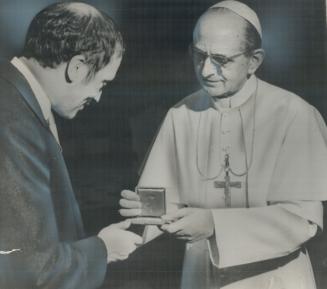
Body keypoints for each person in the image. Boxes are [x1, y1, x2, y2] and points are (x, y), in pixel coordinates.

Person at [119, 1, 327, 288]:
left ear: (254, 60)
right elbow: (163, 199)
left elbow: (303, 220)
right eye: (199, 55)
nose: (206, 70)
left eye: (221, 59)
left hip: (275, 278)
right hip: (201, 274)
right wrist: (146, 211)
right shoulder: (181, 115)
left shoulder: (295, 115)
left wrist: (214, 225)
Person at [0, 2, 142, 289]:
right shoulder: (15, 124)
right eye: (101, 84)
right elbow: (30, 269)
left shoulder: (18, 101)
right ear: (76, 68)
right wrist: (104, 249)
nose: (98, 98)